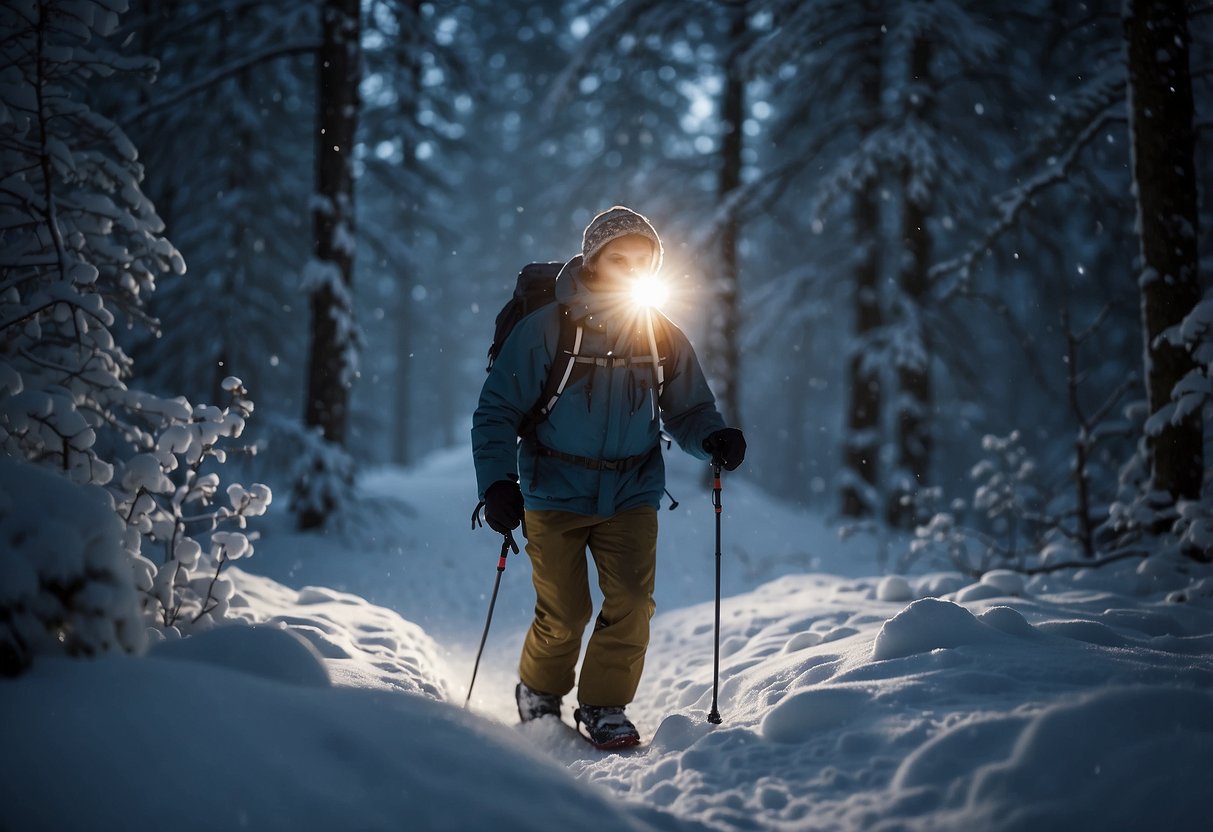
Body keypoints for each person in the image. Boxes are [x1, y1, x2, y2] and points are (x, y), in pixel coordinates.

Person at [472, 205, 746, 749]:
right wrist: (498, 483)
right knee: (565, 611)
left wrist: (712, 437)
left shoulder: (659, 333)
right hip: (554, 487)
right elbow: (497, 410)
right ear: (594, 261)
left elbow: (688, 410)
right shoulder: (546, 329)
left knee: (631, 601)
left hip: (633, 488)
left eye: (642, 260)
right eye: (618, 258)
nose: (630, 268)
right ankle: (539, 688)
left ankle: (603, 705)